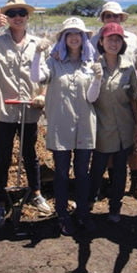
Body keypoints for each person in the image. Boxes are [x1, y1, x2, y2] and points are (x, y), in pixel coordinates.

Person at [0, 0, 51, 228]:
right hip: (4, 109)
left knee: (30, 154)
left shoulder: (38, 43)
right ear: (7, 18)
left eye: (22, 12)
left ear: (27, 16)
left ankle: (36, 193)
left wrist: (43, 94)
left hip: (30, 109)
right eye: (12, 14)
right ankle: (1, 200)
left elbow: (47, 73)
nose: (18, 17)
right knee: (3, 157)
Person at [31, 17, 101, 236]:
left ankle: (82, 213)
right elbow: (37, 77)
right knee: (61, 172)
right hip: (61, 123)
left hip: (85, 125)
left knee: (82, 172)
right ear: (63, 38)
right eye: (69, 33)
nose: (74, 37)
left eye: (78, 34)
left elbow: (92, 97)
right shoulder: (53, 62)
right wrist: (37, 54)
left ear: (83, 38)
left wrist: (98, 79)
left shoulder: (90, 64)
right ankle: (62, 214)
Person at [91, 1, 137, 203]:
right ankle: (110, 183)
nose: (112, 19)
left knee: (132, 145)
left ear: (121, 18)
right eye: (107, 16)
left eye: (115, 16)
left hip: (126, 96)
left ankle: (135, 181)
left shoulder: (133, 39)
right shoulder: (93, 40)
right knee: (106, 144)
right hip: (103, 100)